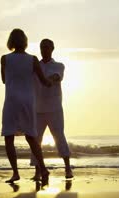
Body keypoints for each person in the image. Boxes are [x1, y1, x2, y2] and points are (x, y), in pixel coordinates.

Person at [0, 28, 52, 185]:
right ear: (25, 41)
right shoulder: (33, 59)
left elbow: (3, 80)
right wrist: (53, 81)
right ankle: (43, 169)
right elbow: (44, 81)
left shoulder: (5, 59)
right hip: (28, 101)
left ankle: (15, 173)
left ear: (11, 42)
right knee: (31, 137)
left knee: (9, 138)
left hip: (11, 101)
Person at [31, 38, 73, 180]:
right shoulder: (35, 66)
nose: (44, 50)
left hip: (54, 108)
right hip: (37, 109)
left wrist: (48, 80)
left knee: (59, 137)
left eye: (47, 47)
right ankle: (38, 171)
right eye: (42, 47)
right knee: (36, 140)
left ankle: (67, 168)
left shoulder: (59, 65)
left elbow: (56, 77)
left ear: (52, 49)